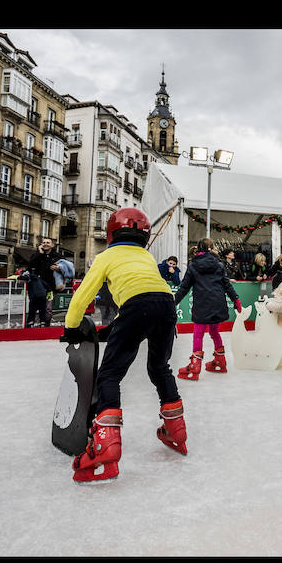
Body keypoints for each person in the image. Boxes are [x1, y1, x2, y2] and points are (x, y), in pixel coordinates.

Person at [61, 207, 187, 484]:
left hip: (135, 307)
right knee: (159, 367)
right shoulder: (146, 256)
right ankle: (176, 430)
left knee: (110, 375)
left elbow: (83, 297)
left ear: (111, 233)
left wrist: (71, 328)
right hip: (166, 305)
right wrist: (114, 329)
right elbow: (146, 297)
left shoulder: (106, 257)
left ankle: (104, 446)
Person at [174, 238, 243, 380]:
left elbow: (184, 287)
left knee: (198, 334)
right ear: (211, 248)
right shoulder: (219, 265)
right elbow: (226, 284)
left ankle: (195, 365)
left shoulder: (194, 265)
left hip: (202, 305)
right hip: (218, 304)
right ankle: (220, 361)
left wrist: (173, 301)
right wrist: (235, 299)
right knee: (214, 331)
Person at [28, 237, 60, 327]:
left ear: (52, 245)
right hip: (38, 287)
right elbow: (30, 266)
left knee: (48, 308)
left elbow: (66, 266)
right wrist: (39, 253)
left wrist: (59, 268)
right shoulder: (37, 255)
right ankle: (31, 323)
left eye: (48, 242)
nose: (45, 244)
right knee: (34, 306)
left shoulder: (57, 256)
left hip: (51, 287)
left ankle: (46, 326)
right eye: (44, 242)